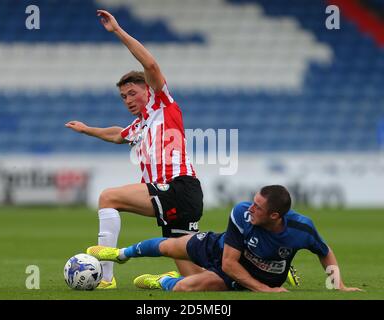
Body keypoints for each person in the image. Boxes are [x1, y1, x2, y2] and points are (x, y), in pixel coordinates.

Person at [65, 9, 204, 289]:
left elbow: (150, 65)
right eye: (123, 96)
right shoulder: (140, 125)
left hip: (178, 187)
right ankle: (259, 270)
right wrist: (87, 129)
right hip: (180, 196)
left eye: (132, 93)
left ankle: (105, 279)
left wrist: (117, 31)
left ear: (148, 90)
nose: (127, 100)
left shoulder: (163, 105)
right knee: (199, 279)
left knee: (108, 197)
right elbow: (118, 134)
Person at [87, 185, 361, 292]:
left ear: (276, 216)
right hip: (219, 251)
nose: (251, 208)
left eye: (259, 208)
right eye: (253, 202)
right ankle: (122, 254)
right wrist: (263, 290)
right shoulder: (242, 213)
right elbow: (229, 262)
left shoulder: (302, 229)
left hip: (237, 273)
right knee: (170, 246)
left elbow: (324, 250)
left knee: (185, 288)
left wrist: (338, 285)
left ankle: (163, 280)